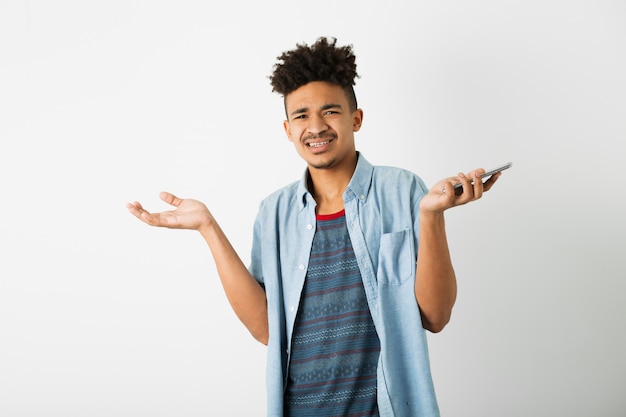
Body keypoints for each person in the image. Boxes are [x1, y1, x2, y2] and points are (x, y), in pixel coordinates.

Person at [126, 36, 502, 417]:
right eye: (302, 115)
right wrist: (208, 227)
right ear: (288, 129)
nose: (316, 127)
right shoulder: (273, 212)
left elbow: (435, 317)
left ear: (356, 118)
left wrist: (431, 216)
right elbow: (266, 330)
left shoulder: (403, 190)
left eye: (330, 111)